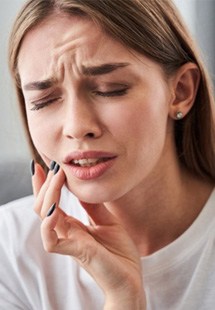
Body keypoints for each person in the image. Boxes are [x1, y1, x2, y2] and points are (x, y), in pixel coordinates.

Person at [1, 0, 215, 309]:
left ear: (180, 91)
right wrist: (122, 296)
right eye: (44, 100)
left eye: (109, 89)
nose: (76, 127)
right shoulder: (9, 250)